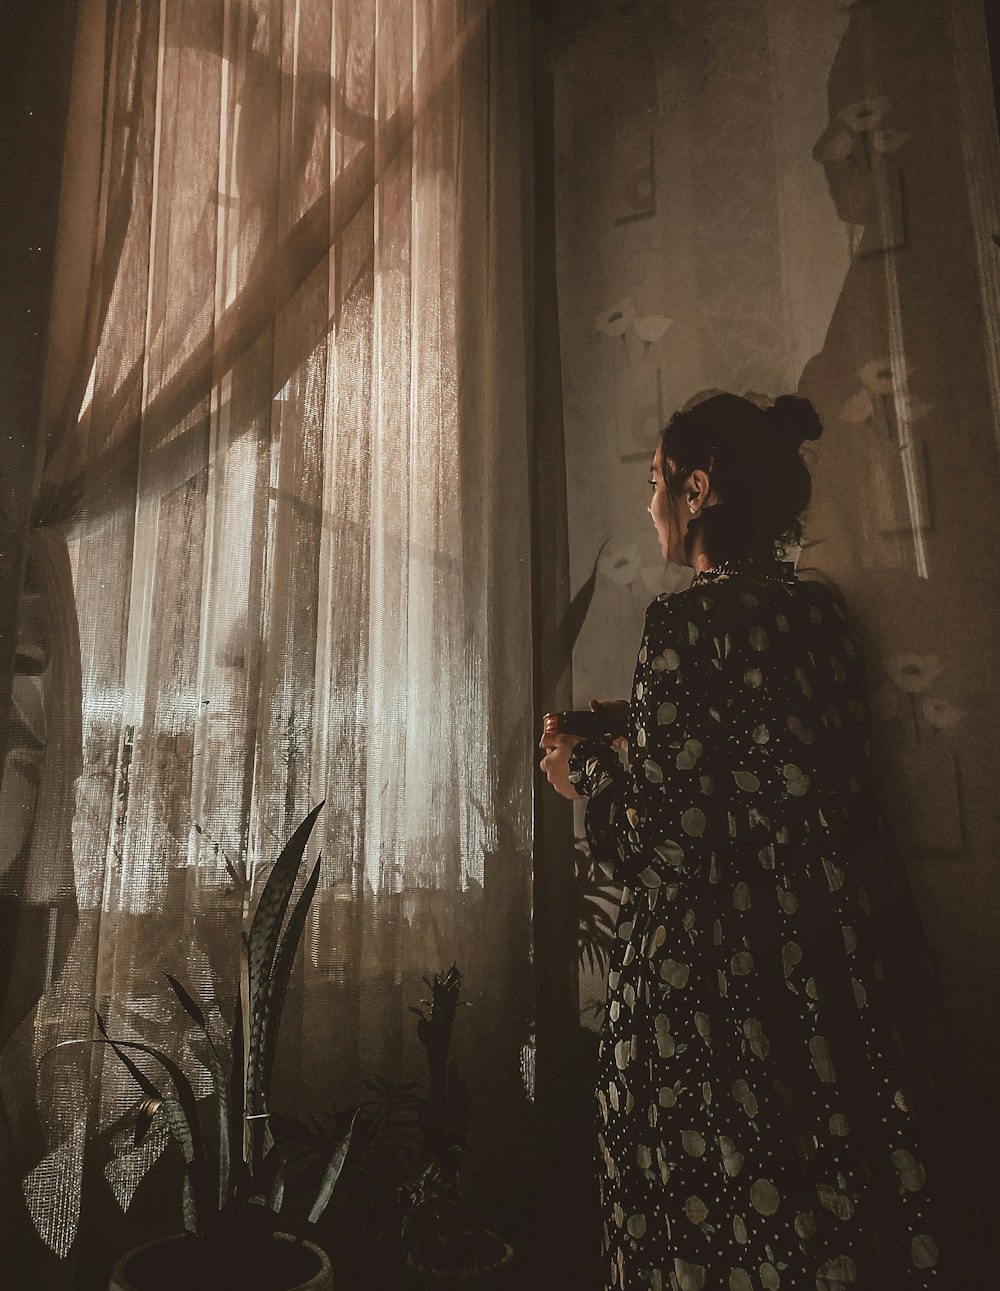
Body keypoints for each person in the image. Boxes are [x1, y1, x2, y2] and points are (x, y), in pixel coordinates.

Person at [540, 393, 958, 1291]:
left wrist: (589, 774)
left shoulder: (681, 624)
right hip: (834, 960)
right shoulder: (816, 610)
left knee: (723, 1211)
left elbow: (666, 847)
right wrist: (636, 726)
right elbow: (765, 768)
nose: (650, 504)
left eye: (658, 482)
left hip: (722, 989)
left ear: (698, 490)